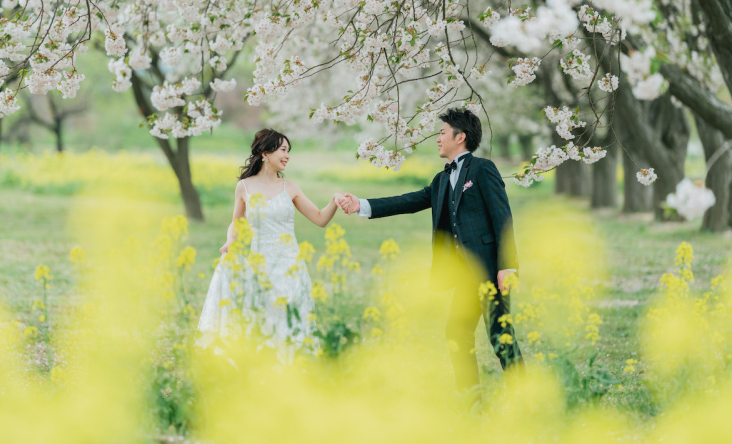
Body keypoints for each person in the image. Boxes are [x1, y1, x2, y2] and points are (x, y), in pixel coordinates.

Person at [338, 107, 524, 396]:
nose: (437, 138)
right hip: (464, 276)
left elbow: (502, 217)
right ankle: (471, 400)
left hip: (489, 270)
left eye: (442, 133)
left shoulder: (483, 169)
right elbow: (409, 201)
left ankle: (526, 399)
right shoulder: (441, 180)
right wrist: (361, 205)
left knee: (501, 336)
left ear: (460, 137)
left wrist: (508, 266)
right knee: (457, 334)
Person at [196, 128, 345, 357]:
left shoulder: (290, 187)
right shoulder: (244, 186)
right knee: (262, 316)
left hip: (290, 264)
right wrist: (230, 242)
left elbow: (320, 219)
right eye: (283, 150)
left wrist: (334, 200)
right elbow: (237, 222)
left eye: (288, 151)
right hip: (260, 263)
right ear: (265, 153)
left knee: (289, 318)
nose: (287, 156)